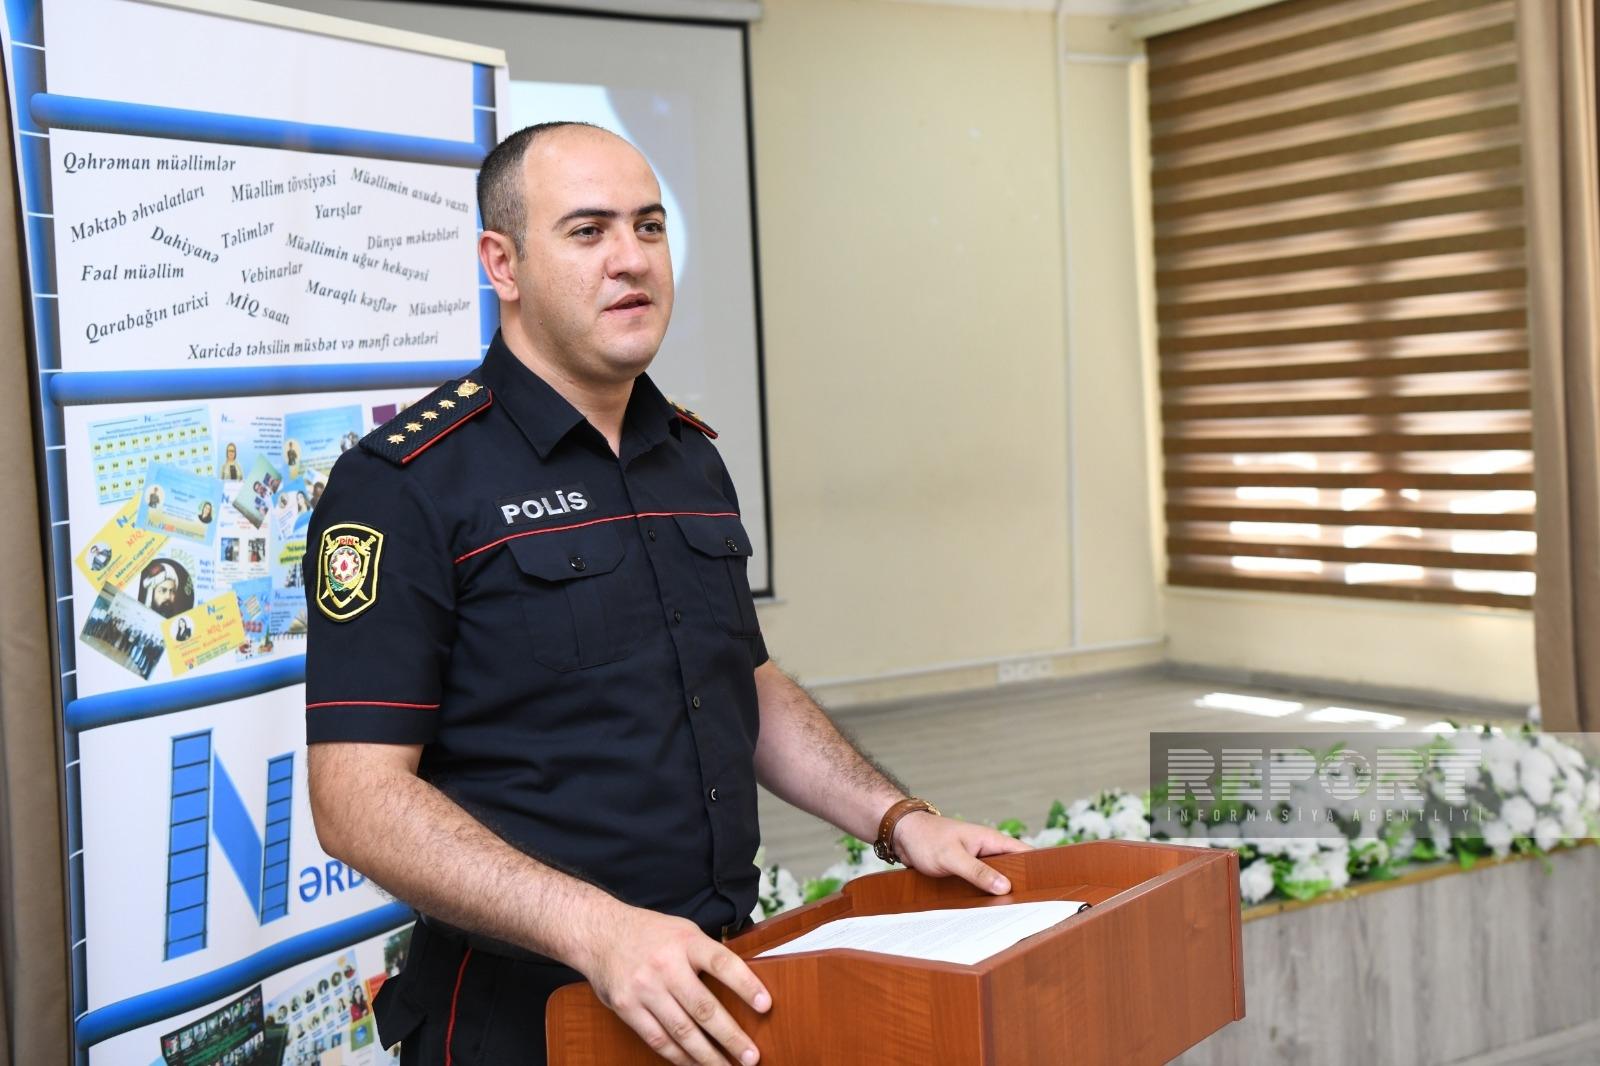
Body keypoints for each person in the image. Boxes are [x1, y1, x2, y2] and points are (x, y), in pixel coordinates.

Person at [303, 122, 1027, 1066]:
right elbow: (355, 799)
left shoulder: (688, 456)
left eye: (649, 226)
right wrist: (597, 929)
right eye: (588, 230)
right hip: (528, 1022)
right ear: (503, 264)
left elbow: (742, 681)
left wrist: (900, 821)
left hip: (716, 988)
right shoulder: (406, 484)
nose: (632, 258)